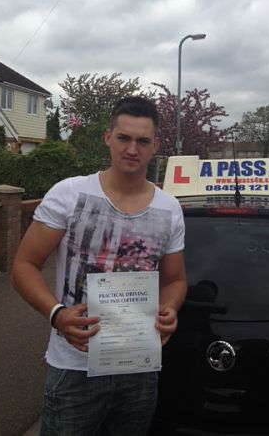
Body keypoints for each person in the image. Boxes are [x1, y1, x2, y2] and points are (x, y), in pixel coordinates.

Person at [12, 96, 187, 436]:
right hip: (75, 369)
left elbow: (176, 279)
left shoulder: (169, 208)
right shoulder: (68, 194)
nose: (132, 149)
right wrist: (57, 314)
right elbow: (24, 266)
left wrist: (169, 308)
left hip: (139, 367)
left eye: (142, 141)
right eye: (124, 138)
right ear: (108, 137)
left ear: (156, 146)